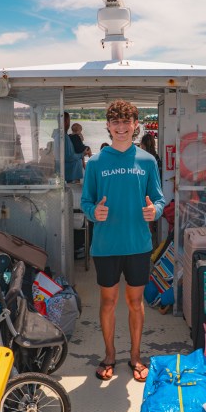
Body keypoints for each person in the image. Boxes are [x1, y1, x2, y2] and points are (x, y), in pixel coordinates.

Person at [81, 99, 165, 383]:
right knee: (107, 302)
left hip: (138, 245)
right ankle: (108, 355)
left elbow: (160, 198)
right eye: (115, 122)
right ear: (108, 126)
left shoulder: (147, 160)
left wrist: (156, 210)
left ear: (135, 126)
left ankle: (136, 356)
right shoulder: (94, 163)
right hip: (106, 247)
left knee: (135, 302)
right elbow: (85, 201)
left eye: (126, 122)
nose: (121, 127)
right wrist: (95, 212)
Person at [53, 112, 91, 183]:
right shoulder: (64, 137)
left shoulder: (58, 135)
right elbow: (69, 157)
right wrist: (82, 154)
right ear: (65, 122)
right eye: (69, 121)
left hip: (68, 173)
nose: (69, 124)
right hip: (71, 175)